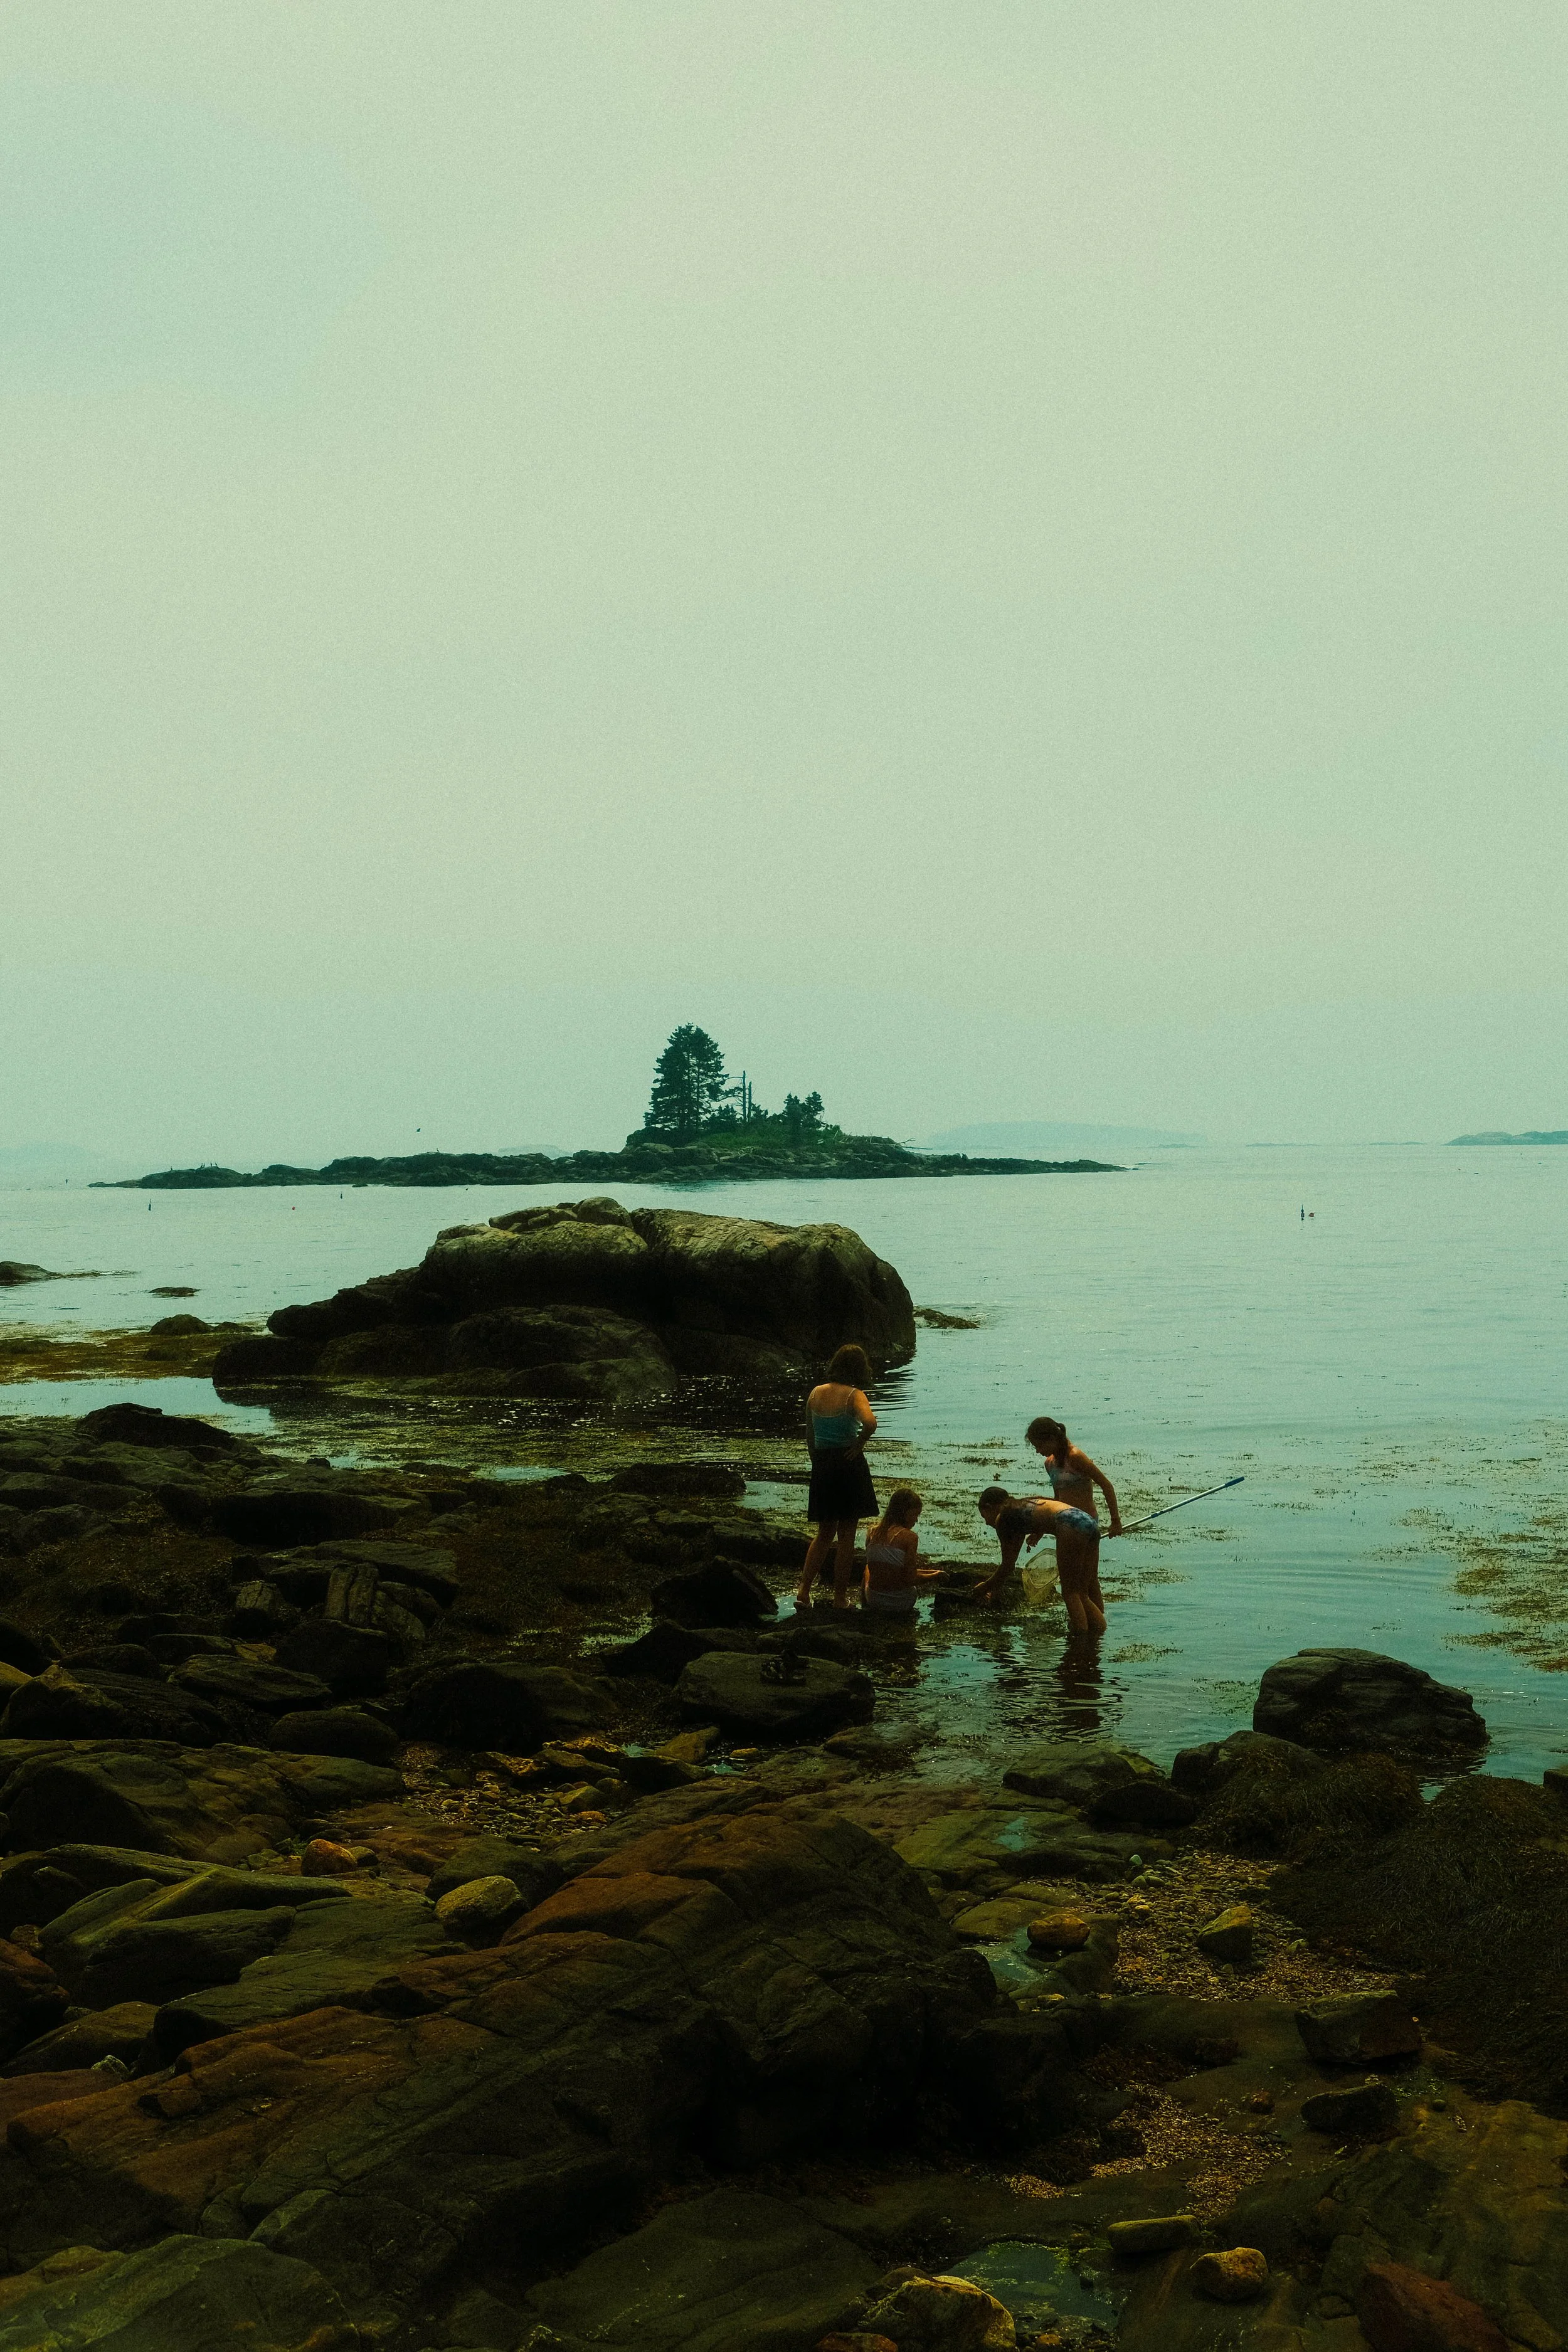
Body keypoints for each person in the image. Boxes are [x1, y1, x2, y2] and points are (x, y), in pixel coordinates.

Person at [795, 1343, 877, 1609]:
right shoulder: (855, 1395)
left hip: (823, 1464)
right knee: (846, 1537)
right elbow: (871, 1423)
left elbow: (810, 1435)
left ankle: (803, 1593)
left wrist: (816, 1460)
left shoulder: (816, 1393)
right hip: (848, 1465)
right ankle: (840, 1599)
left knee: (823, 1534)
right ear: (859, 1368)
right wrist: (860, 1444)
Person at [975, 1484, 1110, 1633]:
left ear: (989, 1506)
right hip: (1088, 1521)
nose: (987, 1522)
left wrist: (985, 1587)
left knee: (1070, 1593)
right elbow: (1045, 1514)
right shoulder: (1021, 1507)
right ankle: (1099, 1639)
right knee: (1083, 1594)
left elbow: (1008, 1566)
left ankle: (1080, 1641)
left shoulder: (1003, 1519)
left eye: (984, 1516)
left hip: (1070, 1524)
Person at [862, 1488, 940, 1614]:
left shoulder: (872, 1532)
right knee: (870, 1568)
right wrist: (934, 1577)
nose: (917, 1520)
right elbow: (910, 1579)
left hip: (874, 1599)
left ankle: (864, 1605)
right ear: (906, 1513)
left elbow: (890, 1569)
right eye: (916, 1515)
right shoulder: (910, 1537)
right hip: (902, 1602)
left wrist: (932, 1572)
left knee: (868, 1568)